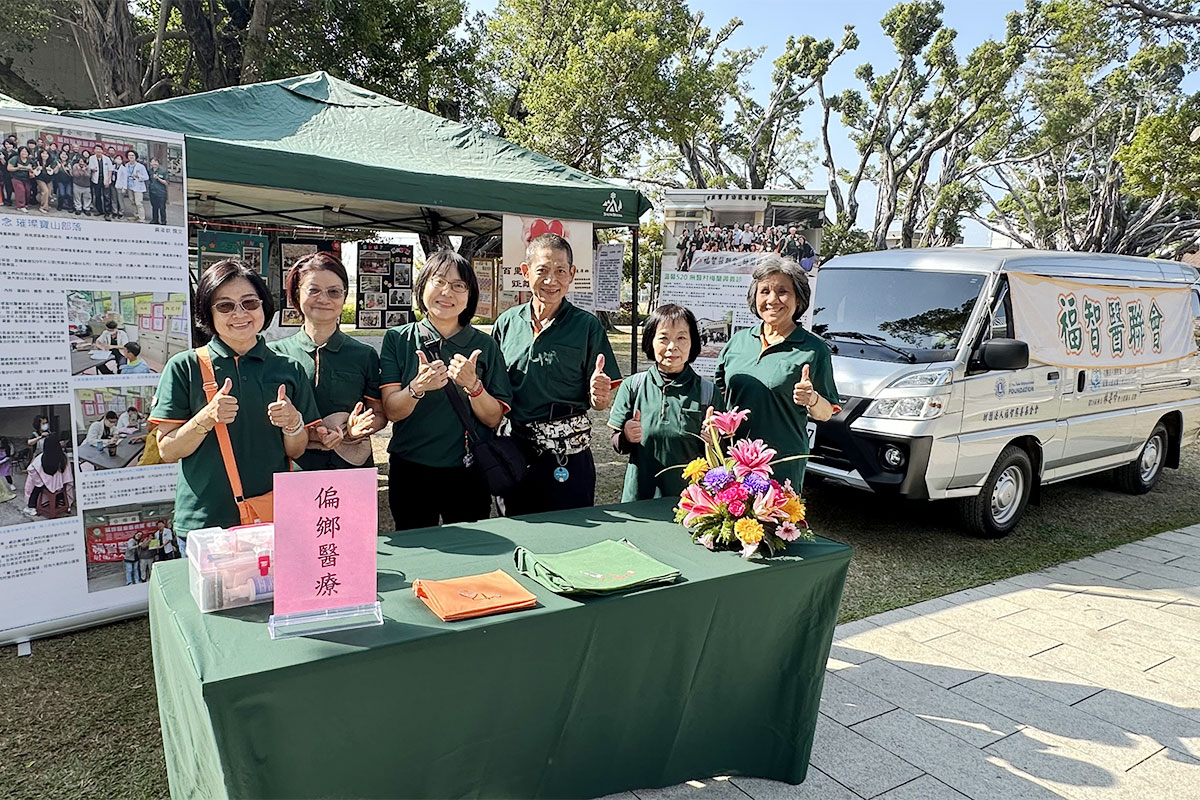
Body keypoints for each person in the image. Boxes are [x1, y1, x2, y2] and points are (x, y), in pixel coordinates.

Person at [150, 259, 320, 555]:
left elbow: (296, 450)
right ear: (208, 313)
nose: (240, 314)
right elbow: (168, 450)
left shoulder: (288, 368)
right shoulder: (184, 367)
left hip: (271, 518)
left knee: (269, 601)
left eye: (249, 303)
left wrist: (293, 423)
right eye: (225, 306)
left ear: (264, 307)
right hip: (205, 524)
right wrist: (206, 418)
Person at [380, 250, 512, 529]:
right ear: (422, 286)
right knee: (417, 547)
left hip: (469, 469)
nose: (447, 292)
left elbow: (494, 418)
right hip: (411, 467)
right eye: (438, 281)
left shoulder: (484, 345)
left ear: (469, 294)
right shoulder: (398, 339)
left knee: (468, 548)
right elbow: (392, 410)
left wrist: (473, 386)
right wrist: (417, 387)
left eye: (458, 285)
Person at [493, 233, 621, 515]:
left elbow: (601, 401)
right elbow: (494, 388)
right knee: (517, 528)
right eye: (543, 271)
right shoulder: (507, 323)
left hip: (568, 456)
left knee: (572, 538)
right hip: (515, 450)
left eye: (561, 271)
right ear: (526, 273)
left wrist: (600, 396)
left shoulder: (586, 326)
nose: (552, 281)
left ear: (572, 274)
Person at [714, 254, 838, 489]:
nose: (772, 300)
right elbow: (720, 395)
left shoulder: (813, 350)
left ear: (798, 299)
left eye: (783, 291)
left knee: (776, 525)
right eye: (764, 291)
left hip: (781, 462)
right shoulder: (738, 342)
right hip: (733, 459)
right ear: (754, 296)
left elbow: (826, 413)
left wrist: (811, 398)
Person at [270, 252, 386, 471]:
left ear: (344, 297)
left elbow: (379, 413)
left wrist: (359, 427)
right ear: (296, 294)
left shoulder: (364, 354)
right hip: (291, 467)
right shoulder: (274, 355)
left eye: (334, 292)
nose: (324, 299)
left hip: (349, 467)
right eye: (313, 290)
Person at [608, 304, 713, 501]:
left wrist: (714, 441)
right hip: (639, 499)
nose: (672, 346)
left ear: (693, 343)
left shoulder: (708, 393)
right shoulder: (633, 386)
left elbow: (723, 451)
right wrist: (626, 436)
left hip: (691, 502)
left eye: (681, 338)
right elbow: (617, 445)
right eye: (663, 338)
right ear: (650, 341)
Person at [22, 435, 74, 518]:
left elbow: (31, 469)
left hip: (45, 484)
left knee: (35, 489)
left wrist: (39, 482)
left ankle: (31, 507)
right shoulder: (64, 457)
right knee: (63, 489)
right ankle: (65, 504)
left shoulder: (41, 458)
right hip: (60, 484)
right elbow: (67, 472)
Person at [122, 150, 149, 222]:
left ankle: (142, 218)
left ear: (135, 157)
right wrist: (124, 187)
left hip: (138, 187)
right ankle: (136, 215)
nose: (131, 157)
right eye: (129, 155)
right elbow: (125, 177)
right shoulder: (126, 165)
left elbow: (146, 177)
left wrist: (138, 176)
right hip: (130, 187)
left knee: (139, 203)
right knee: (132, 202)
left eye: (132, 155)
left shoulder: (141, 166)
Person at [147, 157, 169, 224]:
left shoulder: (163, 171)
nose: (154, 163)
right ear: (150, 163)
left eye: (156, 162)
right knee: (154, 207)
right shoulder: (149, 171)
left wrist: (158, 178)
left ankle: (163, 221)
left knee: (162, 208)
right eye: (153, 162)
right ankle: (155, 220)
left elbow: (166, 183)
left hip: (161, 193)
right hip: (152, 192)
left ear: (158, 163)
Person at [71, 149, 93, 215]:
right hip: (77, 184)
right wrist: (79, 169)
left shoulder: (88, 167)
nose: (81, 163)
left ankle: (86, 209)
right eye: (80, 161)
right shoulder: (75, 166)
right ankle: (78, 208)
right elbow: (75, 175)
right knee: (77, 197)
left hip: (86, 185)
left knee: (87, 198)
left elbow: (88, 176)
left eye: (83, 162)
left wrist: (84, 170)